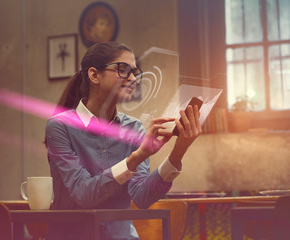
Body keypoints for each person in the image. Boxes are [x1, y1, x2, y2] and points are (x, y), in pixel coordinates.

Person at [45, 41, 201, 240]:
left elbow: (142, 196)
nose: (133, 78)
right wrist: (138, 156)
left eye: (135, 72)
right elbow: (84, 194)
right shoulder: (60, 127)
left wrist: (178, 151)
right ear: (94, 75)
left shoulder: (133, 128)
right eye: (123, 70)